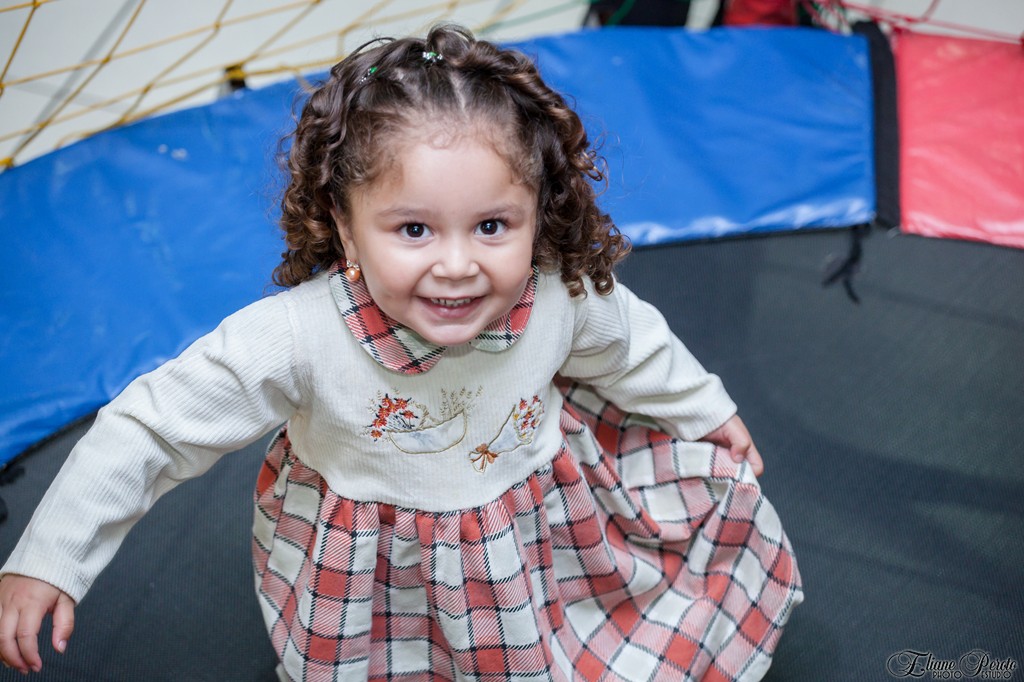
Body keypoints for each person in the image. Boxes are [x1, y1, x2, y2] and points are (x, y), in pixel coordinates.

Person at [0, 25, 801, 681]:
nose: (457, 265)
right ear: (345, 227)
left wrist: (705, 410)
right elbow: (152, 427)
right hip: (367, 579)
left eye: (492, 226)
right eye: (414, 229)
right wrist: (50, 559)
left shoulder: (558, 296)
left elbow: (632, 347)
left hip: (529, 544)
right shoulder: (299, 337)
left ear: (537, 213)